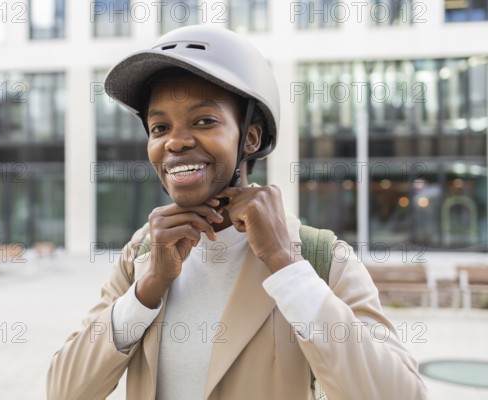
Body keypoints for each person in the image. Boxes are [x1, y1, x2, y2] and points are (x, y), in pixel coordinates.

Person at [47, 26, 427, 400]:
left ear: (250, 137)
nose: (175, 141)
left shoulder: (320, 258)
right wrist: (146, 290)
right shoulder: (141, 255)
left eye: (204, 121)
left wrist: (285, 265)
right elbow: (64, 391)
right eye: (159, 127)